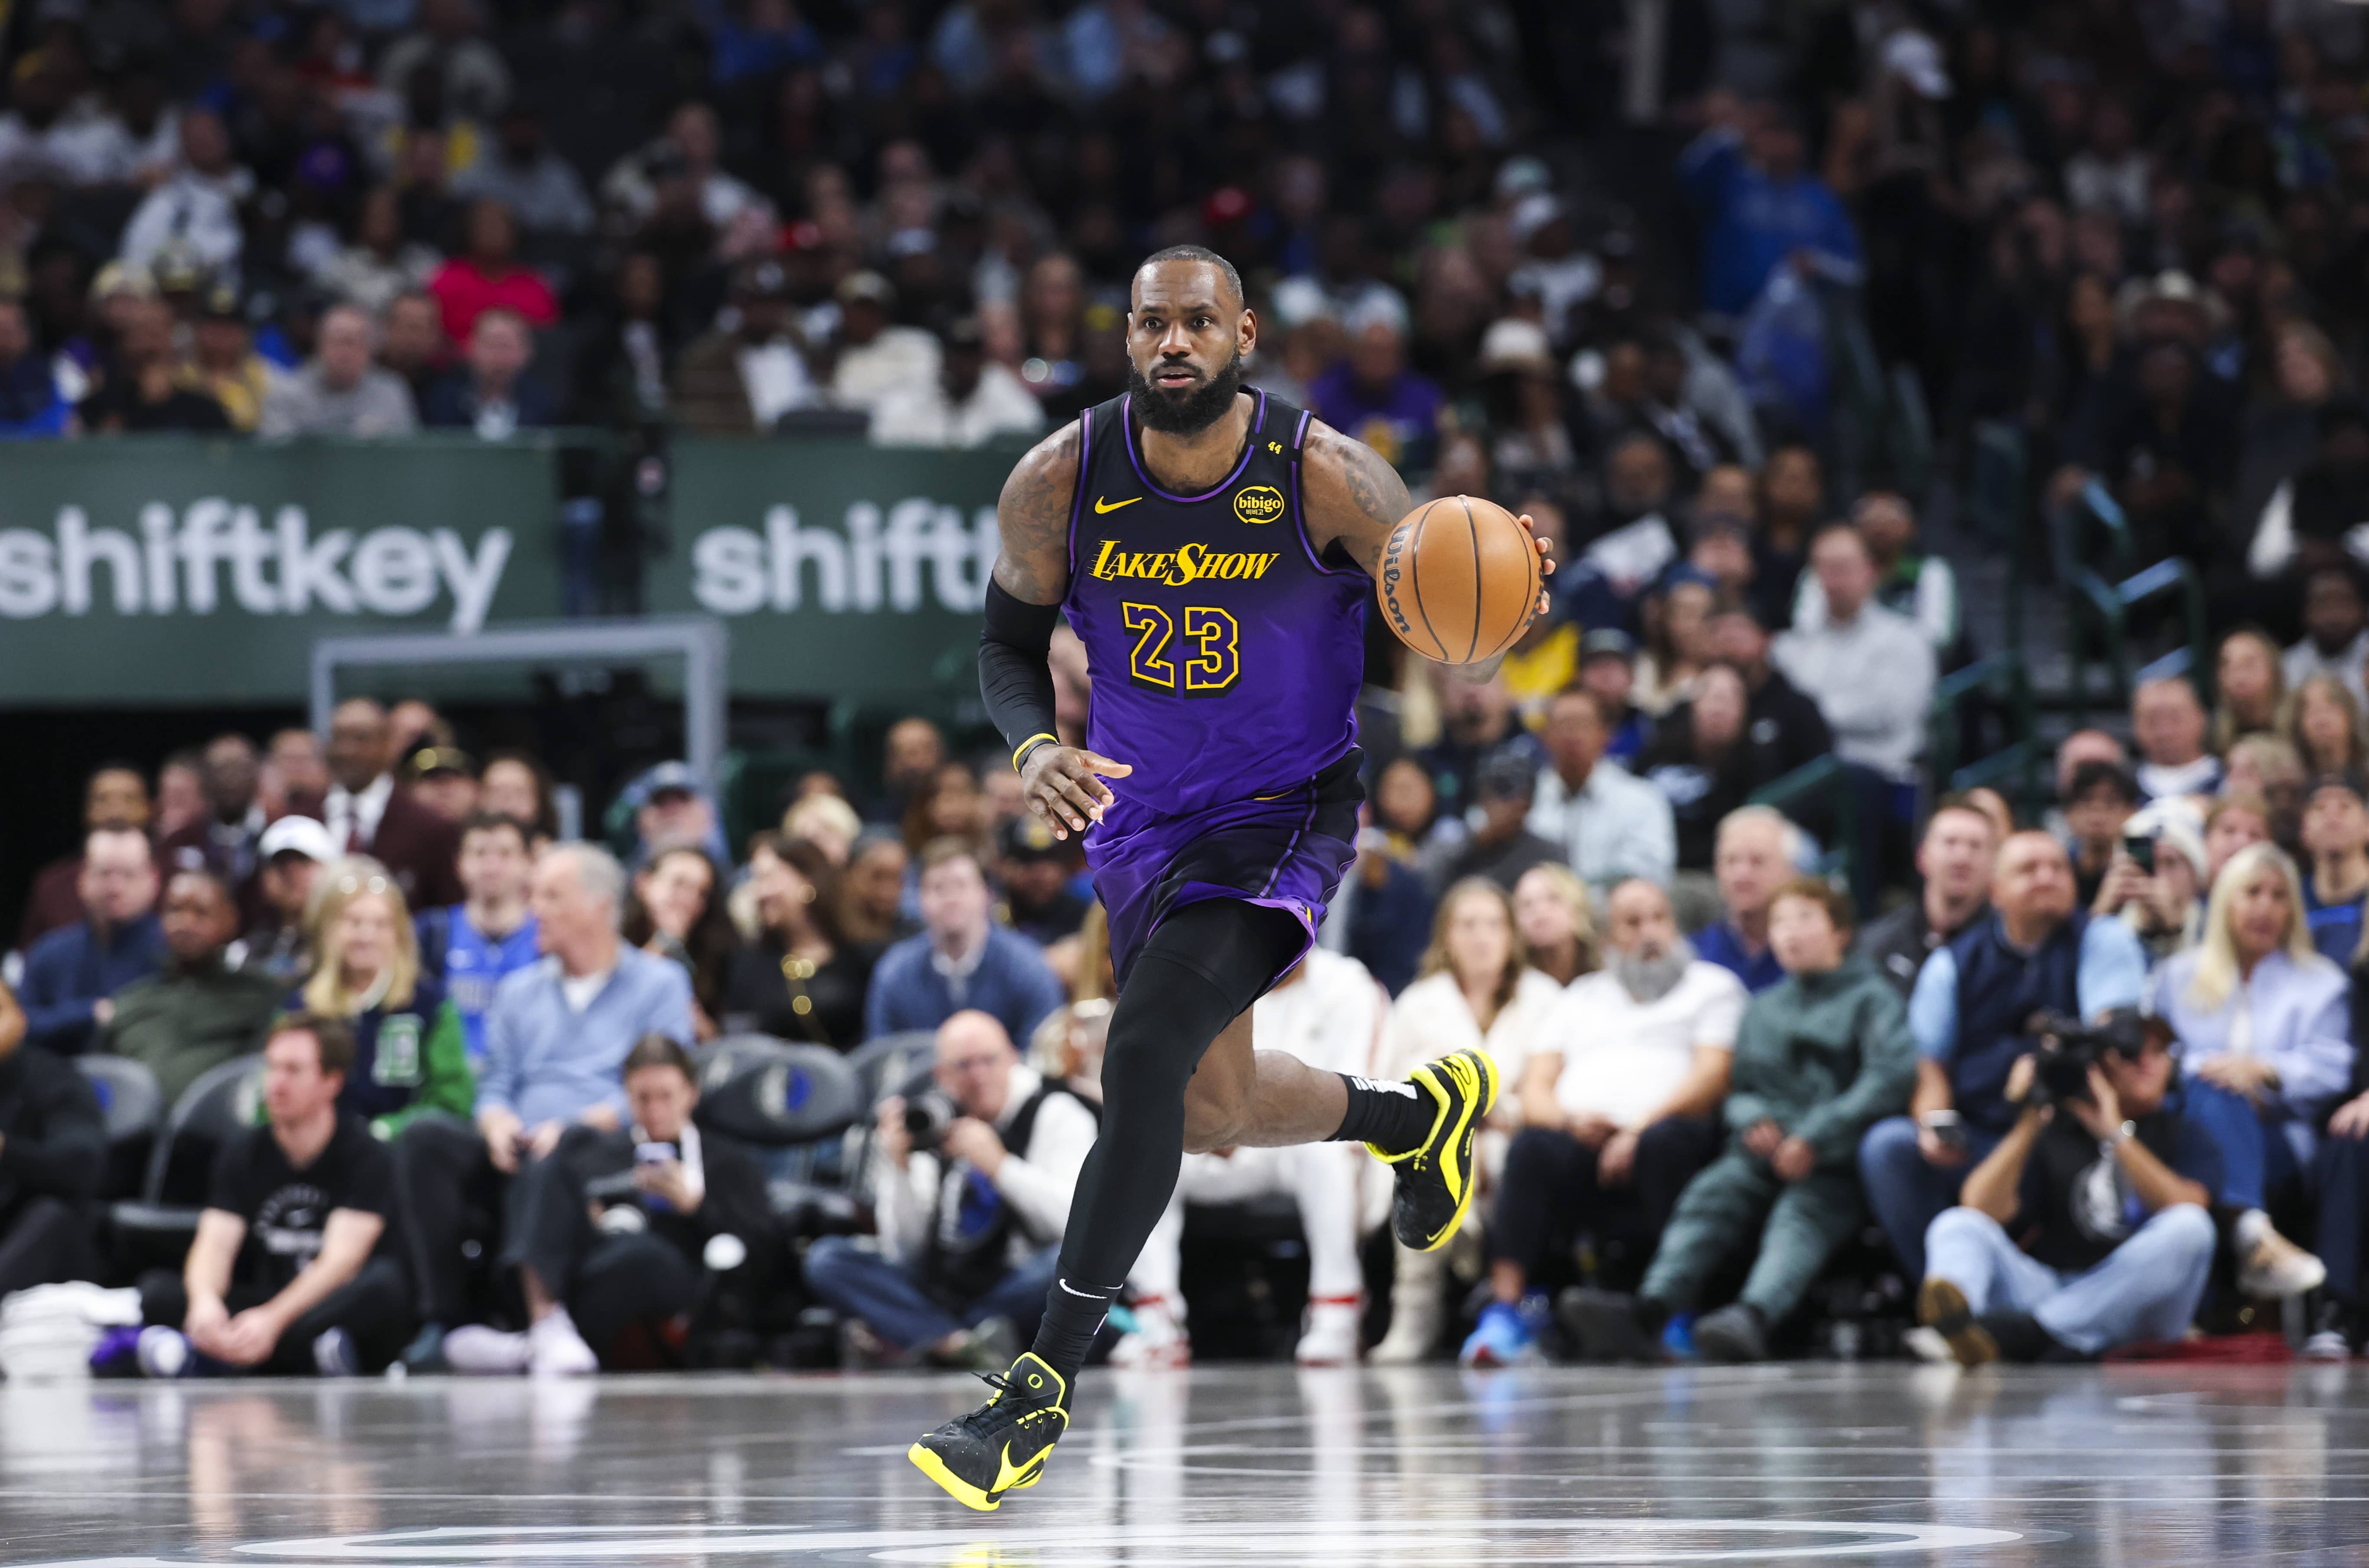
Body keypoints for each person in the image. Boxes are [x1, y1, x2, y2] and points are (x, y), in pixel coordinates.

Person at [913, 245, 1552, 1512]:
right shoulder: (1057, 478)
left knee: (1139, 1055)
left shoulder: (1325, 471)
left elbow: (1437, 587)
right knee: (1203, 1111)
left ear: (1243, 331)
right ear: (1128, 339)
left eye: (1198, 321)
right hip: (1138, 820)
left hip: (1281, 808)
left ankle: (1041, 1379)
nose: (1173, 342)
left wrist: (1504, 582)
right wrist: (1035, 741)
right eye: (1151, 322)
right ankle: (1409, 1118)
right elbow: (1003, 640)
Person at [1559, 878, 1915, 1362]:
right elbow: (1739, 1086)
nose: (1790, 933)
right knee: (1712, 1194)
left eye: (1806, 919)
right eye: (1781, 922)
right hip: (1763, 1149)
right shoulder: (1764, 1006)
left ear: (1841, 933)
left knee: (1801, 1217)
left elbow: (1889, 1078)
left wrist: (1815, 1135)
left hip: (1834, 1156)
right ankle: (1652, 1309)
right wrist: (1753, 1119)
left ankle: (1754, 1316)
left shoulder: (1873, 999)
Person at [393, 844, 695, 1363]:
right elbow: (496, 1083)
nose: (535, 908)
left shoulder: (659, 983)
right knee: (424, 1138)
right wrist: (496, 1122)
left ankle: (546, 1320)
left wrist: (576, 1122)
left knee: (560, 1147)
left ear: (599, 907)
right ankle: (447, 1320)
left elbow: (662, 1088)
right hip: (520, 1145)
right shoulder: (518, 991)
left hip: (603, 1144)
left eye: (551, 895)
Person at [1857, 832, 2149, 1279]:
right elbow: (1929, 1063)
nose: (2046, 877)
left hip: (2075, 1126)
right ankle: (1944, 1300)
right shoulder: (1953, 962)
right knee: (1889, 1146)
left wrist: (2047, 1066)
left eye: (2057, 867)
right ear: (1995, 891)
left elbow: (2113, 1038)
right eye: (2028, 870)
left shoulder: (2101, 938)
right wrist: (1936, 1122)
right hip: (1984, 1130)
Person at [1472, 880, 1742, 1365]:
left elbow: (1712, 1075)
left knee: (1668, 1141)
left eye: (1660, 917)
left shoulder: (1711, 985)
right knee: (1532, 1145)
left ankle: (1674, 1311)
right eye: (1633, 922)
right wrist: (1570, 1120)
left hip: (1672, 1135)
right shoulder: (1580, 995)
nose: (1650, 932)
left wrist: (1637, 1128)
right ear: (1607, 939)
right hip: (1585, 1140)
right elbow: (1535, 1088)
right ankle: (1505, 1312)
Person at [441, 1036, 773, 1375]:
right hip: (591, 1261)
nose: (655, 1111)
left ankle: (530, 1346)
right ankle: (544, 1324)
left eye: (667, 1097)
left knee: (639, 1257)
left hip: (679, 1268)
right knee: (546, 1165)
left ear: (692, 1093)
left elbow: (762, 1242)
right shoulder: (598, 1151)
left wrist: (695, 1206)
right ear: (626, 1096)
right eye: (642, 1098)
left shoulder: (727, 1160)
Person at [1125, 946, 1384, 1368]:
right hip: (1219, 1142)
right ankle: (1157, 1317)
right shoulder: (1215, 972)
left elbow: (1353, 1088)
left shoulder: (1347, 983)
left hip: (1305, 1142)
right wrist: (1211, 1121)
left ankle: (1337, 1310)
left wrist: (1241, 1121)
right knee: (1144, 1148)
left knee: (1327, 1152)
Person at [1915, 1014, 2221, 1366]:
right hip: (2055, 1288)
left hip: (2140, 1307)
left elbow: (2187, 1205)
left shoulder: (2185, 1132)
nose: (2146, 1063)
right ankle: (1957, 1327)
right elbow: (1980, 1207)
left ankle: (2033, 1333)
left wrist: (2114, 1132)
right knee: (1956, 1224)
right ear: (2098, 1063)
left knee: (2190, 1227)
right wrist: (2030, 1117)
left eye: (2159, 1052)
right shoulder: (2057, 1128)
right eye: (2130, 1053)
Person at [805, 1011, 1098, 1369]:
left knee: (1068, 1267)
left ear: (1012, 1059)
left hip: (1017, 1279)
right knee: (829, 1259)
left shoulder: (1057, 1113)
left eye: (988, 1061)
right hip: (946, 1283)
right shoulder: (932, 1118)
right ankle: (960, 1342)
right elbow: (905, 1251)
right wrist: (898, 1169)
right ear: (942, 1075)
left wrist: (1000, 1166)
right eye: (963, 1066)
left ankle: (928, 1335)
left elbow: (1076, 1227)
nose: (978, 1076)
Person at [134, 1014, 414, 1378]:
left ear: (331, 1082)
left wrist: (273, 1319)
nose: (277, 1084)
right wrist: (206, 1305)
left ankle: (216, 1355)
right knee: (158, 1291)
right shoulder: (243, 1151)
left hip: (320, 1302)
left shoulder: (366, 1153)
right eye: (273, 1068)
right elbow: (215, 1244)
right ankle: (299, 1354)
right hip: (265, 1300)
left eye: (294, 1070)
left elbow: (341, 1262)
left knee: (385, 1287)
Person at [1363, 880, 1564, 1366]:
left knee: (1499, 1161)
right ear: (1446, 936)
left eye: (1494, 924)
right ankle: (1415, 1315)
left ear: (1512, 934)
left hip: (1515, 1140)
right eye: (1468, 924)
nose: (1482, 937)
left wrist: (1498, 1113)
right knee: (1425, 1165)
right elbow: (1393, 1084)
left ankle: (1482, 1274)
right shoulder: (1418, 1001)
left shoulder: (1545, 997)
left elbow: (1557, 1086)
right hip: (1431, 1136)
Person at [2149, 844, 2346, 1299]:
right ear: (2225, 901)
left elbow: (2335, 1066)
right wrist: (2216, 1068)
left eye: (2280, 895)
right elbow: (2156, 1054)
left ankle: (2250, 1236)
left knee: (2226, 1093)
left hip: (2279, 1137)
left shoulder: (2322, 983)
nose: (2266, 906)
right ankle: (2255, 1239)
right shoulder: (2176, 975)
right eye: (2252, 891)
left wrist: (2266, 1070)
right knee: (2217, 1089)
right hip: (2186, 1129)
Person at [296, 858, 472, 1142]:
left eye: (381, 924)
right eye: (354, 922)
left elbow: (451, 1101)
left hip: (403, 1159)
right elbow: (273, 1098)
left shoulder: (429, 1006)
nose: (367, 936)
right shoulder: (301, 1010)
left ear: (399, 933)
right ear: (327, 929)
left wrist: (386, 1131)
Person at [98, 869, 282, 1109]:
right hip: (130, 1135)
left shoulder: (261, 997)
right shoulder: (131, 1000)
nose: (186, 923)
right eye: (175, 910)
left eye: (201, 913)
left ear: (230, 921)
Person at [1772, 525, 1936, 792]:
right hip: (1806, 775)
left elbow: (1885, 712)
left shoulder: (1906, 640)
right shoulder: (1793, 645)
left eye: (1843, 568)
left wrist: (1805, 715)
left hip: (1881, 775)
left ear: (1870, 571)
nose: (1833, 580)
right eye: (1824, 568)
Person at [864, 840, 1067, 1047]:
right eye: (938, 888)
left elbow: (1043, 1053)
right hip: (924, 1079)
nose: (950, 898)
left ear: (986, 894)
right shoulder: (895, 972)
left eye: (961, 885)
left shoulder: (1027, 966)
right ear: (919, 900)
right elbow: (883, 1057)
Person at [721, 834, 876, 1049]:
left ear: (808, 879)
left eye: (768, 878)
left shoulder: (864, 957)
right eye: (756, 880)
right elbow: (741, 1044)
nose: (759, 892)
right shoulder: (749, 964)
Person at [19, 827, 165, 1056]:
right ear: (82, 878)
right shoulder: (50, 952)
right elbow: (20, 1025)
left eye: (129, 875)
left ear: (154, 879)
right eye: (104, 874)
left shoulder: (174, 953)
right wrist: (89, 1013)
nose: (115, 888)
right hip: (58, 1080)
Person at [0, 981, 104, 1298]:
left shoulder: (57, 1080)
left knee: (50, 1214)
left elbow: (83, 1167)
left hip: (40, 1236)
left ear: (22, 1019)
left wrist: (7, 1151)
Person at [1525, 688, 1677, 899]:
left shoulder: (1642, 799)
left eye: (1583, 723)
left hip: (1616, 921)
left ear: (1605, 734)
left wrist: (1579, 893)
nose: (1572, 734)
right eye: (1563, 723)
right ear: (1544, 736)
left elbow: (1653, 874)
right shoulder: (1522, 801)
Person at [1640, 664, 1791, 875]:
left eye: (1729, 700)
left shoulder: (1756, 765)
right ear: (1693, 706)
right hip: (1652, 865)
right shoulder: (1661, 750)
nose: (1719, 709)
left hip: (1714, 873)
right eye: (1711, 697)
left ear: (1744, 712)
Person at [415, 813, 540, 1066]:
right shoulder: (431, 933)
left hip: (527, 1078)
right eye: (480, 853)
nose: (491, 866)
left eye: (505, 854)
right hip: (452, 1081)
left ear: (529, 863)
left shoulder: (548, 937)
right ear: (459, 863)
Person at [320, 699, 463, 909]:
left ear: (388, 745)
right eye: (338, 738)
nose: (347, 750)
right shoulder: (300, 817)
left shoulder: (430, 829)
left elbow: (446, 914)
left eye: (361, 739)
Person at [1858, 800, 1997, 996]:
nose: (1962, 857)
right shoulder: (1876, 944)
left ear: (1995, 863)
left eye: (1975, 846)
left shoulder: (2008, 949)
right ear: (1922, 857)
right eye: (1950, 842)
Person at [671, 257, 817, 434]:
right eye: (756, 302)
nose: (766, 312)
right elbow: (702, 422)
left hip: (805, 452)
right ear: (739, 303)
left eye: (774, 302)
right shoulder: (707, 359)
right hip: (741, 455)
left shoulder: (804, 347)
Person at [17, 765, 150, 950]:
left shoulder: (174, 884)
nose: (116, 812)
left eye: (129, 799)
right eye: (102, 800)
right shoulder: (52, 885)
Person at [870, 314, 1046, 448]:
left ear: (982, 358)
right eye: (957, 354)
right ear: (944, 357)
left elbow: (1029, 426)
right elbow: (884, 434)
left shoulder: (1000, 386)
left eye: (971, 355)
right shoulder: (916, 387)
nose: (963, 364)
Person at [623, 846, 736, 1039]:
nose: (689, 899)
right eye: (679, 884)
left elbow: (720, 1040)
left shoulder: (717, 954)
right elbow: (616, 1005)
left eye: (701, 893)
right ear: (644, 883)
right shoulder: (614, 940)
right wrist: (665, 941)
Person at [256, 303, 418, 438]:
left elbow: (404, 459)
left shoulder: (391, 392)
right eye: (337, 342)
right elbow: (276, 458)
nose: (345, 352)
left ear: (371, 350)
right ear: (319, 346)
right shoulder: (289, 391)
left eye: (353, 343)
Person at [1691, 807, 1799, 995]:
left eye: (1758, 861)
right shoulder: (1693, 956)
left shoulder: (1816, 954)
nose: (1741, 875)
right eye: (1731, 861)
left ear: (1791, 872)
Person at [157, 733, 266, 917]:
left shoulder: (275, 837)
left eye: (240, 769)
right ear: (204, 779)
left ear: (257, 774)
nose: (231, 778)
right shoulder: (180, 840)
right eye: (221, 770)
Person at [1435, 750, 1564, 892]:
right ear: (1482, 799)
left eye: (1524, 801)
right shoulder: (1459, 857)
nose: (1514, 809)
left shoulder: (1549, 856)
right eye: (1504, 797)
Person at [422, 307, 555, 437]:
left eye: (506, 346)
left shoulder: (544, 403)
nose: (498, 357)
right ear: (471, 348)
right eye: (491, 345)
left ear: (526, 352)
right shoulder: (443, 400)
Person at [242, 816, 338, 982]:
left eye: (304, 861)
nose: (292, 874)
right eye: (280, 864)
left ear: (331, 869)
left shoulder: (343, 941)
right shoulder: (248, 947)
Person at [2300, 773, 2369, 965]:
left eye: (2345, 807)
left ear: (2367, 825)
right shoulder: (2289, 901)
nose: (2332, 816)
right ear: (2304, 830)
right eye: (2320, 808)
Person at [996, 815, 1091, 946]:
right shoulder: (993, 917)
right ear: (1005, 867)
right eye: (1027, 860)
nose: (1039, 875)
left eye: (1049, 860)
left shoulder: (1084, 916)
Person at [2286, 568, 2369, 714]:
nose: (2334, 615)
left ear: (2363, 608)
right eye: (2323, 604)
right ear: (2305, 613)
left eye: (2343, 603)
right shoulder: (2289, 665)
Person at [2061, 761, 2142, 909]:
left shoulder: (2143, 874)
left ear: (2132, 813)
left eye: (2111, 803)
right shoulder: (2056, 872)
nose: (2098, 815)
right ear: (2068, 814)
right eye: (2087, 802)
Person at [2131, 677, 2222, 802]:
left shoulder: (2229, 780)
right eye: (2152, 722)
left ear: (2201, 718)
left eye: (2175, 720)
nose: (2165, 733)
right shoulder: (2123, 791)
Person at [1511, 864, 1598, 987]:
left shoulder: (1608, 972)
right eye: (1527, 905)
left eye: (1553, 899)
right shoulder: (1514, 986)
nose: (1539, 911)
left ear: (1578, 906)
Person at [2215, 629, 2288, 756]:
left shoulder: (2299, 725)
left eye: (2249, 665)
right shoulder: (2213, 735)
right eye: (2227, 666)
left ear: (2273, 670)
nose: (2238, 677)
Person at [2287, 673, 2369, 778]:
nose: (2321, 721)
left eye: (2330, 709)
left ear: (2350, 714)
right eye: (2312, 712)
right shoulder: (2289, 783)